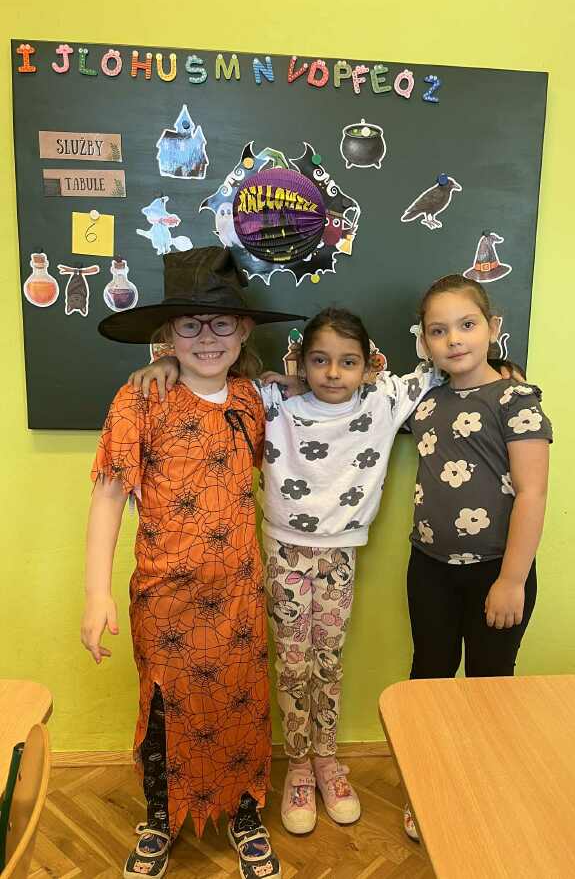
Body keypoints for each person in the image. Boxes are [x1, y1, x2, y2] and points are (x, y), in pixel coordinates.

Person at [130, 306, 445, 836]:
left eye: (348, 362)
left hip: (340, 555)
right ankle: (298, 766)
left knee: (329, 663)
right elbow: (208, 376)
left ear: (369, 365)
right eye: (320, 361)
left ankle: (327, 761)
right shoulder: (272, 402)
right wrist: (164, 362)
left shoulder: (384, 402)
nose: (333, 373)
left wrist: (502, 368)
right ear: (302, 361)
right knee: (293, 666)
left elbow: (442, 366)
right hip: (284, 554)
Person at [80, 246, 303, 879]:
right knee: (164, 711)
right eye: (189, 325)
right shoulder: (140, 401)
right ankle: (160, 817)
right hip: (164, 598)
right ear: (167, 334)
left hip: (238, 595)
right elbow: (109, 494)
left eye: (221, 323)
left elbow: (328, 399)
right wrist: (95, 593)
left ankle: (244, 815)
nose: (207, 337)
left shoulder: (253, 399)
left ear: (245, 329)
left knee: (242, 704)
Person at [402, 274, 552, 840]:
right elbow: (352, 391)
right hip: (430, 570)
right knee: (429, 677)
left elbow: (532, 493)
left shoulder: (516, 399)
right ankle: (427, 785)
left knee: (490, 684)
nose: (454, 340)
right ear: (424, 341)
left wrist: (512, 580)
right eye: (438, 331)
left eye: (466, 325)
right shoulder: (424, 400)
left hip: (498, 573)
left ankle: (486, 786)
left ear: (493, 327)